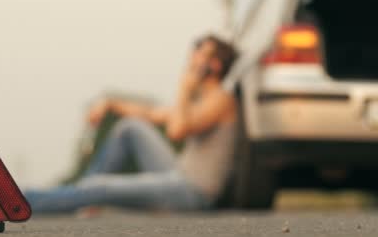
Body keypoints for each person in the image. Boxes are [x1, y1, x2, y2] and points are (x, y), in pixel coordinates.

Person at [24, 34, 239, 213]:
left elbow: (176, 131)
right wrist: (110, 103)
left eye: (201, 52)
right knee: (130, 128)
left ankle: (22, 200)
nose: (193, 56)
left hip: (194, 193)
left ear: (215, 65)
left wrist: (184, 88)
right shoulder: (202, 102)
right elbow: (152, 113)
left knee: (101, 187)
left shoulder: (222, 100)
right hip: (179, 176)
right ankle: (85, 195)